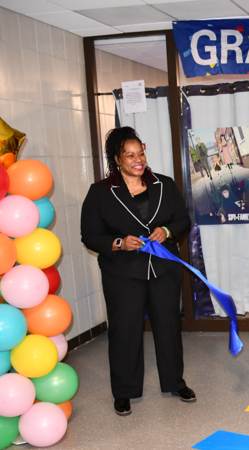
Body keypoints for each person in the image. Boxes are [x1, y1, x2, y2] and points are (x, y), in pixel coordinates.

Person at [81, 127, 194, 416]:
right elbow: (90, 235)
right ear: (117, 159)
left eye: (140, 153)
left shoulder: (164, 185)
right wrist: (119, 242)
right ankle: (124, 391)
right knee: (125, 332)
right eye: (129, 155)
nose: (137, 160)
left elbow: (182, 219)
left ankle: (175, 382)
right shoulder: (101, 192)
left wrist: (167, 230)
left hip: (164, 269)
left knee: (168, 327)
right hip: (123, 273)